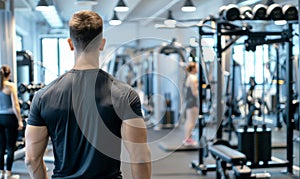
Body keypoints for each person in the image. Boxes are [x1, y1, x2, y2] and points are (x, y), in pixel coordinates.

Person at [25, 10, 151, 179]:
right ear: (102, 43)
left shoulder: (42, 97)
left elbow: (31, 159)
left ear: (70, 44)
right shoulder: (124, 94)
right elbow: (140, 158)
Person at [0, 65, 23, 179]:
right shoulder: (10, 86)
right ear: (8, 74)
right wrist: (20, 120)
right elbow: (16, 105)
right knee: (10, 147)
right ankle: (8, 172)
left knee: (0, 146)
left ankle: (1, 172)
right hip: (9, 118)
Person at [183, 62, 199, 146]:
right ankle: (188, 139)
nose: (197, 69)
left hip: (189, 101)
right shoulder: (193, 78)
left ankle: (187, 138)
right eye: (196, 67)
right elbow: (195, 93)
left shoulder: (189, 77)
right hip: (193, 102)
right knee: (192, 121)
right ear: (193, 69)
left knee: (189, 120)